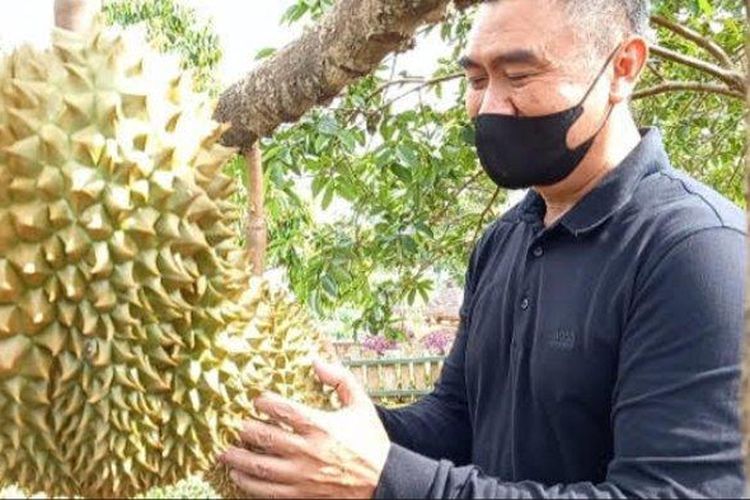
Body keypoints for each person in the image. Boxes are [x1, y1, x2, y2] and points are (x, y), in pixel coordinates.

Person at [218, 0, 746, 497]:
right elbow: (457, 420)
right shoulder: (505, 240)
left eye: (519, 75)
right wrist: (329, 420)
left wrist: (385, 480)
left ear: (623, 68)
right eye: (475, 79)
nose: (489, 106)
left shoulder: (697, 254)